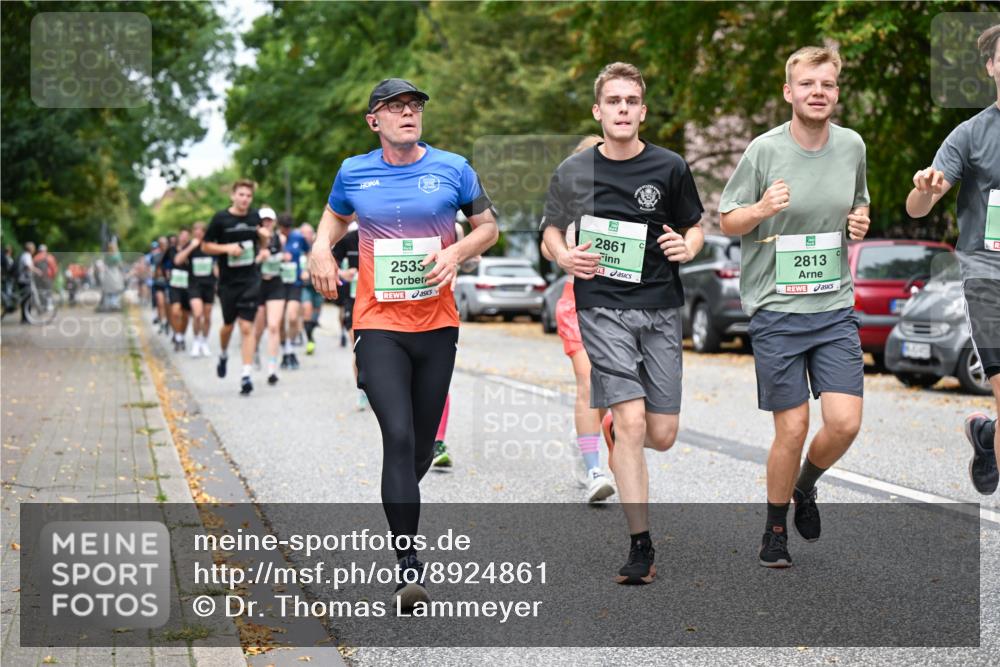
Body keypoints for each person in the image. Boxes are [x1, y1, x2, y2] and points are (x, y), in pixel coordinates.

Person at [310, 78, 499, 610]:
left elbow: (488, 227)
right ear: (374, 121)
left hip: (437, 325)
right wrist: (321, 248)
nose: (408, 113)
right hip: (378, 324)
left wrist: (456, 252)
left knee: (418, 448)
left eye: (414, 105)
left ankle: (398, 499)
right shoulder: (353, 171)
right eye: (395, 107)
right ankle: (408, 566)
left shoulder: (454, 168)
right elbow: (335, 216)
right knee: (396, 435)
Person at [543, 63, 704, 585]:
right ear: (598, 110)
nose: (623, 109)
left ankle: (613, 428)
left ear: (643, 111)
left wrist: (687, 247)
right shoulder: (574, 171)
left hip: (660, 307)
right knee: (633, 423)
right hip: (601, 306)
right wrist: (564, 256)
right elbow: (550, 232)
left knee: (662, 433)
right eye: (613, 101)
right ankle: (641, 545)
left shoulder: (670, 166)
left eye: (631, 101)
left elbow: (695, 226)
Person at [719, 46, 871, 569]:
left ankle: (805, 485)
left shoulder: (852, 145)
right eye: (807, 84)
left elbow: (858, 201)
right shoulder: (764, 150)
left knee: (845, 423)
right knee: (792, 427)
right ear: (790, 92)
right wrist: (762, 208)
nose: (817, 93)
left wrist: (859, 220)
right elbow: (728, 219)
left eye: (827, 84)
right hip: (777, 310)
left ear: (836, 92)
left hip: (833, 306)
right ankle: (775, 528)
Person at [905, 25, 1000, 495]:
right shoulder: (971, 134)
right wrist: (925, 191)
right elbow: (916, 208)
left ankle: (987, 435)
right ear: (991, 66)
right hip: (988, 275)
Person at [540, 135, 615, 503]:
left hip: (622, 304)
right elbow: (546, 244)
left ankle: (583, 439)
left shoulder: (626, 198)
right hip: (577, 299)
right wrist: (565, 254)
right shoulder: (569, 199)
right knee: (589, 380)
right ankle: (594, 469)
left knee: (614, 388)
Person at [203, 179, 268, 395]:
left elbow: (262, 246)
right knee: (228, 326)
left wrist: (264, 239)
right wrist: (227, 248)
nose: (245, 199)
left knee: (246, 327)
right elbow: (206, 246)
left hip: (250, 280)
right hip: (228, 282)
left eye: (248, 196)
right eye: (241, 195)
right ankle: (223, 354)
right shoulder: (220, 218)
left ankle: (246, 375)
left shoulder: (255, 217)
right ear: (233, 196)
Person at [331, 221, 364, 407]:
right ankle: (362, 390)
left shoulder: (386, 234)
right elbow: (330, 263)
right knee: (359, 348)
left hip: (380, 302)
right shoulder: (349, 239)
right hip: (355, 300)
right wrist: (343, 274)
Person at [252, 207, 286, 385]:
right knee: (258, 329)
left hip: (275, 284)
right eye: (263, 220)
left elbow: (286, 258)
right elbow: (246, 264)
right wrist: (259, 258)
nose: (266, 223)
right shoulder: (253, 239)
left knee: (273, 326)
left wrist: (283, 258)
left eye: (269, 220)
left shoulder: (280, 239)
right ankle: (254, 348)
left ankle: (272, 368)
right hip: (258, 285)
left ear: (274, 222)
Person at [278, 213, 308, 370]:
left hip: (295, 283)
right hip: (278, 284)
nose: (286, 231)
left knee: (293, 317)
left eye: (288, 228)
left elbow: (308, 252)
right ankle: (285, 350)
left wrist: (306, 269)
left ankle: (289, 346)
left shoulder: (298, 237)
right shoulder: (275, 238)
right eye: (284, 228)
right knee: (279, 320)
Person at [185, 221, 218, 358]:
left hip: (209, 285)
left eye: (201, 230)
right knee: (197, 314)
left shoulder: (210, 246)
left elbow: (216, 265)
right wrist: (190, 247)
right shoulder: (190, 246)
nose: (198, 232)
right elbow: (178, 260)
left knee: (207, 316)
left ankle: (204, 341)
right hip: (194, 285)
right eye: (196, 230)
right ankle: (196, 341)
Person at [165, 227, 193, 351]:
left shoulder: (193, 249)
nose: (184, 238)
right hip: (175, 284)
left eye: (187, 236)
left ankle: (181, 335)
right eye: (182, 235)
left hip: (188, 285)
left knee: (186, 315)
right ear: (179, 236)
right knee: (176, 311)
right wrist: (166, 273)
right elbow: (165, 263)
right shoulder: (171, 250)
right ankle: (177, 335)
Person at [299, 223, 325, 355]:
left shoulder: (318, 245)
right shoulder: (298, 246)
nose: (305, 236)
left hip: (318, 285)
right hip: (305, 285)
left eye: (308, 233)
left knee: (316, 312)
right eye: (303, 233)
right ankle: (310, 339)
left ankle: (311, 331)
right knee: (307, 310)